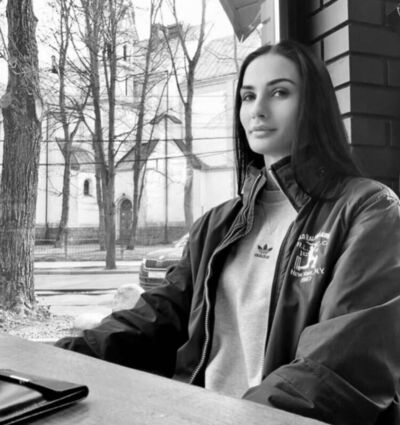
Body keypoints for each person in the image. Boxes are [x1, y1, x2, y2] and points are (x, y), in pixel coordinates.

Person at [56, 40, 400, 425]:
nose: (258, 110)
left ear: (314, 104)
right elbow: (156, 317)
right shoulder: (217, 224)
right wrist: (57, 359)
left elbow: (339, 369)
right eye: (248, 96)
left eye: (279, 92)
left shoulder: (368, 209)